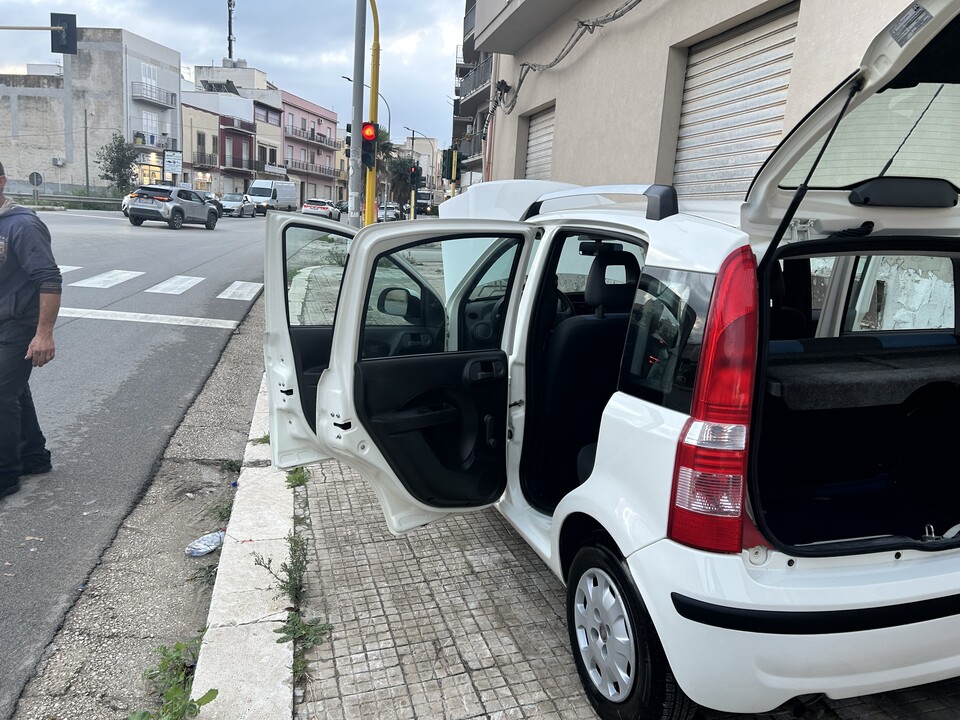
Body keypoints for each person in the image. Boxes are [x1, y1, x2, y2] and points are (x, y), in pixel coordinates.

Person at [0, 160, 62, 498]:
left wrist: (44, 333)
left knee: (1, 395)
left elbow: (49, 280)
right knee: (13, 390)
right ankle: (33, 456)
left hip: (19, 324)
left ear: (2, 183)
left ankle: (5, 475)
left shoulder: (22, 226)